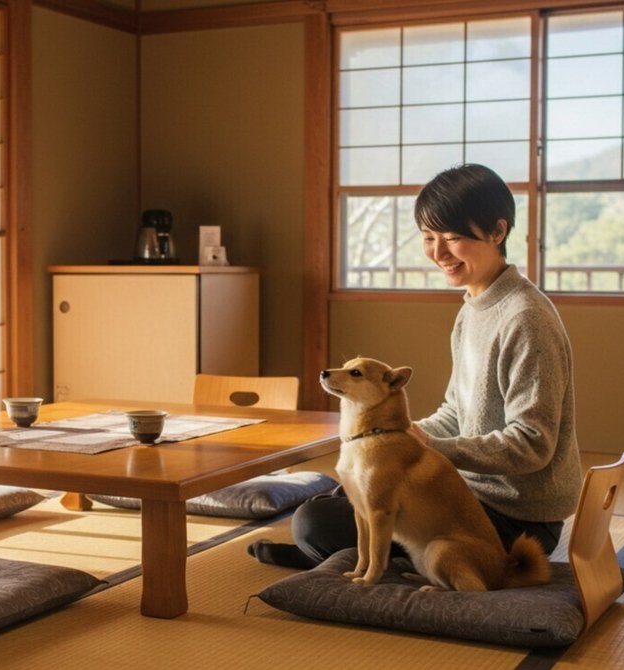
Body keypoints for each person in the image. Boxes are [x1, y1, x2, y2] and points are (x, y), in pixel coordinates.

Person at [249, 163, 583, 570]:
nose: (438, 253)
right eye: (428, 238)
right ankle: (335, 553)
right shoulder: (475, 307)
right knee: (348, 492)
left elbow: (532, 443)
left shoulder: (525, 318)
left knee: (316, 520)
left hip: (516, 517)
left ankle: (369, 558)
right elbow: (457, 411)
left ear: (497, 232)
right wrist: (399, 436)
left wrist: (433, 449)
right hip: (467, 490)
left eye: (453, 238)